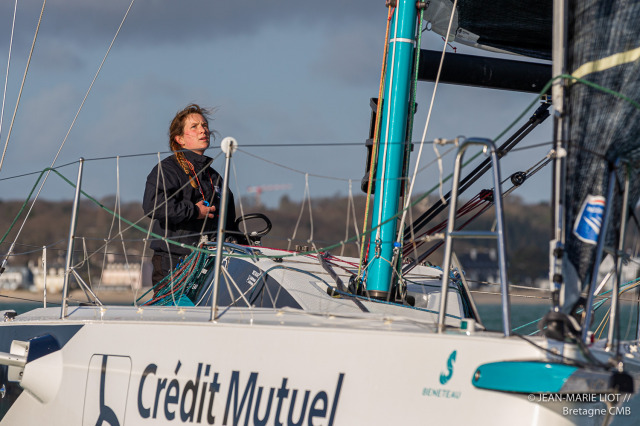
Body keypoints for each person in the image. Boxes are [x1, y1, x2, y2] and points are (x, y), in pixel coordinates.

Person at [143, 104, 238, 286]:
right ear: (180, 139)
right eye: (194, 127)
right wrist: (194, 211)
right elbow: (152, 205)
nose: (203, 130)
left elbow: (229, 222)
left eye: (204, 125)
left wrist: (240, 243)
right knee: (175, 313)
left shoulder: (214, 177)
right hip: (173, 260)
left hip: (209, 262)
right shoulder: (168, 169)